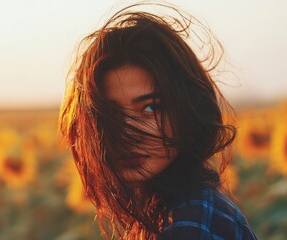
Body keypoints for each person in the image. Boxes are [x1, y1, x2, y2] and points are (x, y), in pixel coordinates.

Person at [59, 2, 257, 239]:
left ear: (187, 110)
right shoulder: (182, 210)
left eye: (150, 108)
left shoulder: (191, 223)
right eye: (112, 114)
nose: (128, 134)